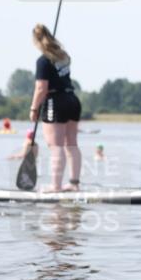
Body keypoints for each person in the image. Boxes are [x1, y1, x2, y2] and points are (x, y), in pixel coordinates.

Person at [29, 23, 82, 192]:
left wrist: (33, 108)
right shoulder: (64, 56)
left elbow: (41, 88)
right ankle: (74, 184)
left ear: (36, 41)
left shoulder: (43, 61)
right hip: (72, 100)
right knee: (71, 144)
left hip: (55, 101)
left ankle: (56, 186)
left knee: (56, 146)